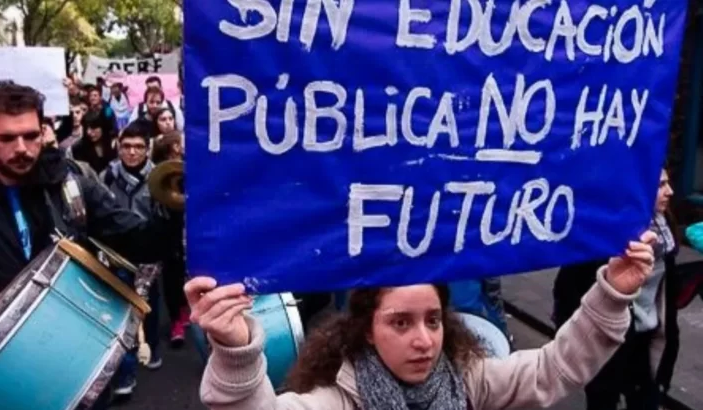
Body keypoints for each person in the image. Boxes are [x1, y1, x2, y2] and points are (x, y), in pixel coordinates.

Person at [188, 230, 657, 410]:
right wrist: (235, 348)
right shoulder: (337, 402)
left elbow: (555, 369)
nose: (424, 340)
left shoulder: (469, 382)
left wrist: (613, 292)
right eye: (400, 323)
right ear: (366, 332)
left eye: (433, 320)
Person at [0, 81, 164, 406]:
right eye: (6, 138)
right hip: (4, 377)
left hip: (80, 363)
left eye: (31, 136)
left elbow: (141, 242)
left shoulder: (70, 186)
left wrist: (172, 209)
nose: (22, 148)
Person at [552, 169, 679, 410]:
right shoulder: (604, 235)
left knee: (646, 400)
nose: (670, 191)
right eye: (661, 185)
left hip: (646, 338)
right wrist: (568, 338)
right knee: (603, 400)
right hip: (608, 340)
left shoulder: (665, 231)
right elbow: (568, 287)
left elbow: (667, 295)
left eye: (669, 183)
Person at [100, 120, 163, 370]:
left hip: (148, 252)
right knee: (119, 303)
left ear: (147, 150)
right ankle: (124, 359)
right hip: (117, 252)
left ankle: (152, 346)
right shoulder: (108, 175)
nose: (132, 152)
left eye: (138, 147)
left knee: (149, 303)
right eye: (126, 146)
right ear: (119, 148)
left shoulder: (159, 177)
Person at [151, 131, 191, 345]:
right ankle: (176, 319)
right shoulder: (161, 169)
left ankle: (185, 309)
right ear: (174, 147)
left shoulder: (191, 162)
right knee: (172, 275)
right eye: (181, 142)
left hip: (189, 224)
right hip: (170, 224)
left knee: (189, 272)